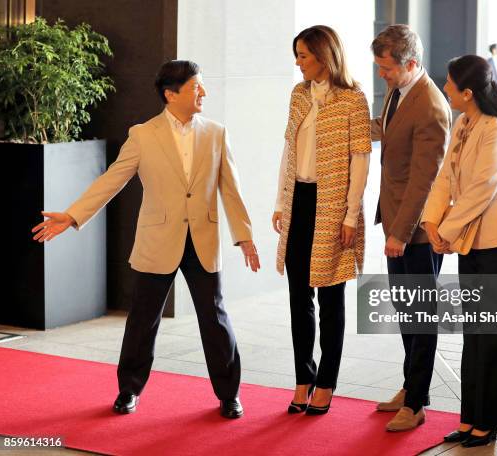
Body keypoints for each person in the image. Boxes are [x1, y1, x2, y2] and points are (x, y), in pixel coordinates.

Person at [31, 60, 260, 419]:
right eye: (196, 86)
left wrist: (244, 237)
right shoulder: (143, 134)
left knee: (214, 318)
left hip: (202, 239)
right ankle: (128, 390)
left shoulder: (216, 133)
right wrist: (73, 214)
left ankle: (229, 394)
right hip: (158, 239)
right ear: (171, 94)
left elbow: (231, 190)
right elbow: (113, 179)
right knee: (143, 320)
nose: (204, 92)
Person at [421, 54, 497, 447]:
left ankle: (488, 421)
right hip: (470, 239)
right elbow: (446, 178)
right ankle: (469, 419)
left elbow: (482, 189)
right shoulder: (464, 123)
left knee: (492, 333)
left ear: (466, 92)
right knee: (473, 333)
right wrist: (431, 223)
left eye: (449, 83)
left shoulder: (495, 130)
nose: (444, 87)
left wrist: (446, 229)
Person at [272, 25, 371, 415]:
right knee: (300, 296)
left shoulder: (353, 100)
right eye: (296, 55)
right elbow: (289, 148)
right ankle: (303, 378)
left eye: (304, 56)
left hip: (333, 204)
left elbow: (360, 160)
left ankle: (327, 382)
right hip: (299, 199)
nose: (298, 63)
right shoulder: (298, 95)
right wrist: (280, 201)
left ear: (324, 56)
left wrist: (350, 214)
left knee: (330, 294)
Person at [370, 24, 451, 432]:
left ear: (412, 64)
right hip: (396, 222)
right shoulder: (401, 90)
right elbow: (389, 131)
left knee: (421, 315)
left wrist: (400, 233)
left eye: (386, 68)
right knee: (405, 309)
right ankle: (410, 385)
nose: (381, 75)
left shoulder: (432, 108)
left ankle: (416, 403)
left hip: (416, 232)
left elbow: (425, 182)